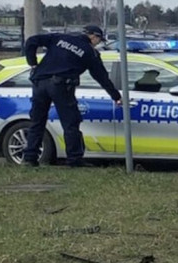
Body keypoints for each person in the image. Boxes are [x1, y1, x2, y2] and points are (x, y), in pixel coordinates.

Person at [21, 25, 122, 167]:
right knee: (70, 123)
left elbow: (32, 41)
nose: (98, 44)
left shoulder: (60, 38)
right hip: (61, 86)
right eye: (99, 40)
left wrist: (33, 63)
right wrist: (116, 96)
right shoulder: (90, 52)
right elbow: (101, 77)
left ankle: (29, 159)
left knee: (37, 121)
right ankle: (74, 159)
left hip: (40, 83)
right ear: (93, 36)